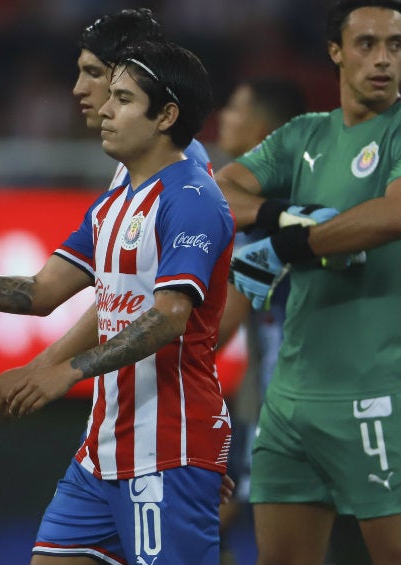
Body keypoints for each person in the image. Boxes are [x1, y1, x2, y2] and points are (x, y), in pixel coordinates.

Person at [0, 40, 233, 564]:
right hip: (100, 453)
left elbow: (171, 316)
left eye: (123, 100)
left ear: (166, 116)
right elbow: (41, 291)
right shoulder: (113, 203)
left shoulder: (193, 199)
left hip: (168, 449)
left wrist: (66, 371)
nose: (104, 109)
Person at [218, 1, 401, 563]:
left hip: (377, 392)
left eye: (396, 46)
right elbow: (218, 191)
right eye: (367, 44)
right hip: (290, 399)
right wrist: (287, 217)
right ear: (335, 52)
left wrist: (291, 244)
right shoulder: (305, 134)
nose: (384, 59)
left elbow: (393, 214)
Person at [212, 77, 307, 562]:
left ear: (262, 129)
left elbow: (219, 326)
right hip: (281, 393)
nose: (223, 118)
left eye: (234, 108)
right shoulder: (288, 199)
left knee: (204, 525)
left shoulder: (266, 212)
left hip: (295, 402)